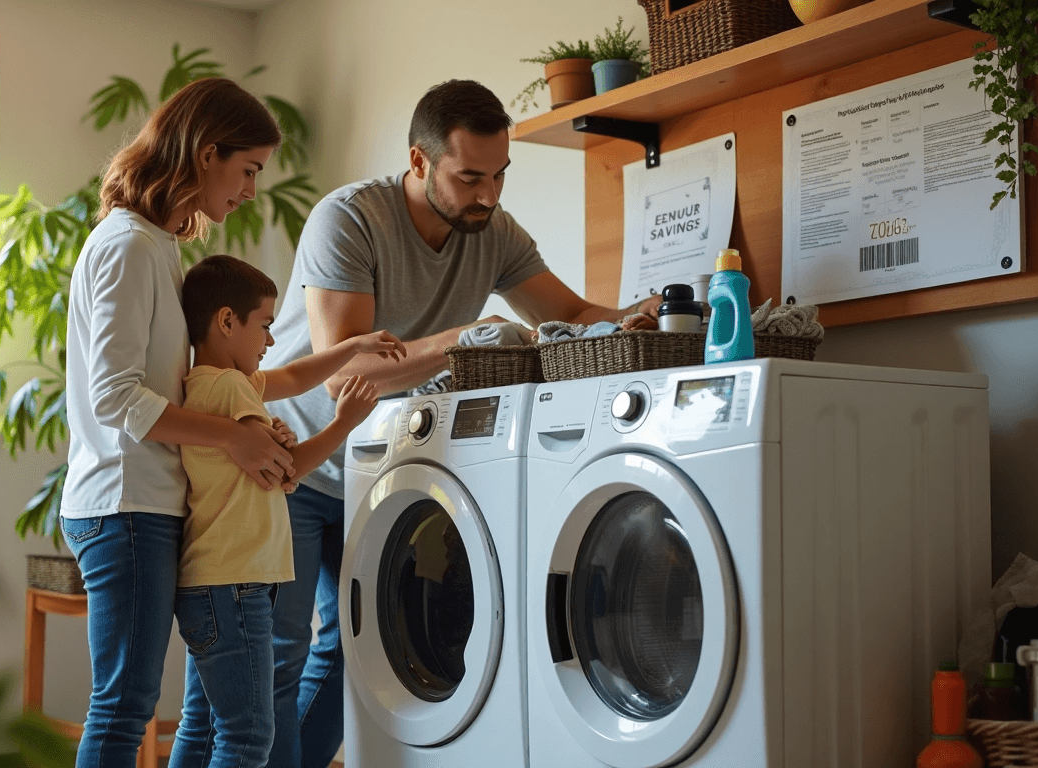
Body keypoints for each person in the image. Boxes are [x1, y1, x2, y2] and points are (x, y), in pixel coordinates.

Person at [262, 78, 662, 768]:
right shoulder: (350, 218)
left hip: (379, 467)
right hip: (293, 459)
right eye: (470, 177)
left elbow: (567, 314)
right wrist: (464, 338)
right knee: (281, 652)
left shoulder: (492, 230)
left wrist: (637, 315)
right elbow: (345, 374)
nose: (488, 195)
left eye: (499, 175)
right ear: (419, 162)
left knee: (355, 646)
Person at [60, 78, 300, 768]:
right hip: (124, 503)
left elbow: (179, 387)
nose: (251, 190)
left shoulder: (158, 246)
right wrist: (235, 437)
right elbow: (114, 397)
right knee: (124, 704)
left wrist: (251, 429)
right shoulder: (130, 246)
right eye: (248, 169)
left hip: (143, 504)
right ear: (205, 152)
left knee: (147, 707)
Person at [168, 254, 405, 768]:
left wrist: (353, 346)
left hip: (209, 581)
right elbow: (288, 467)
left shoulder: (206, 382)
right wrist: (344, 422)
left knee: (202, 723)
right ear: (227, 321)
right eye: (265, 326)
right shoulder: (230, 388)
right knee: (249, 734)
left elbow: (296, 377)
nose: (271, 341)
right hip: (236, 584)